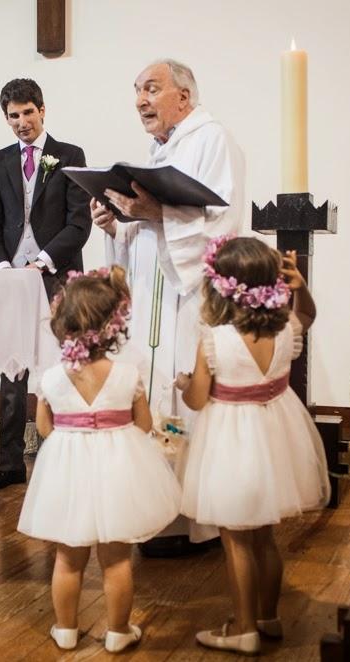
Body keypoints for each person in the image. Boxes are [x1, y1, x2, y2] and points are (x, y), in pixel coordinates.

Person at [175, 236, 330, 655]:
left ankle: (243, 628)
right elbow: (308, 314)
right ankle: (268, 616)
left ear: (221, 288)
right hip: (276, 440)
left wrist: (185, 384)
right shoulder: (285, 329)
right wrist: (301, 287)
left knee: (236, 541)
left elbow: (198, 399)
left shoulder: (213, 340)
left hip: (229, 444)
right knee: (265, 539)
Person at [17, 266, 181, 653]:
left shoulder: (52, 377)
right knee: (116, 559)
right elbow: (142, 424)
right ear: (114, 325)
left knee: (68, 558)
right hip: (118, 469)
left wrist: (75, 433)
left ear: (63, 321)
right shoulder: (127, 373)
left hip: (68, 469)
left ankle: (66, 629)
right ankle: (119, 631)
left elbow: (43, 428)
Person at [91, 59, 246, 425]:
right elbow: (149, 230)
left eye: (151, 88)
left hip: (190, 296)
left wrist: (159, 213)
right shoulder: (161, 150)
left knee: (183, 398)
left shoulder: (213, 139)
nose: (140, 100)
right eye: (137, 91)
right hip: (152, 296)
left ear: (184, 96)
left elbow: (224, 225)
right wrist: (117, 225)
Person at [0, 78, 92, 491]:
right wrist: (4, 267)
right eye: (14, 116)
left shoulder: (70, 155)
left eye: (28, 112)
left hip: (57, 273)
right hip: (12, 279)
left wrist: (42, 263)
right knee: (13, 370)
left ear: (42, 110)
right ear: (6, 118)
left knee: (62, 365)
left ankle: (57, 458)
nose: (22, 122)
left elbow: (79, 222)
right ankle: (8, 464)